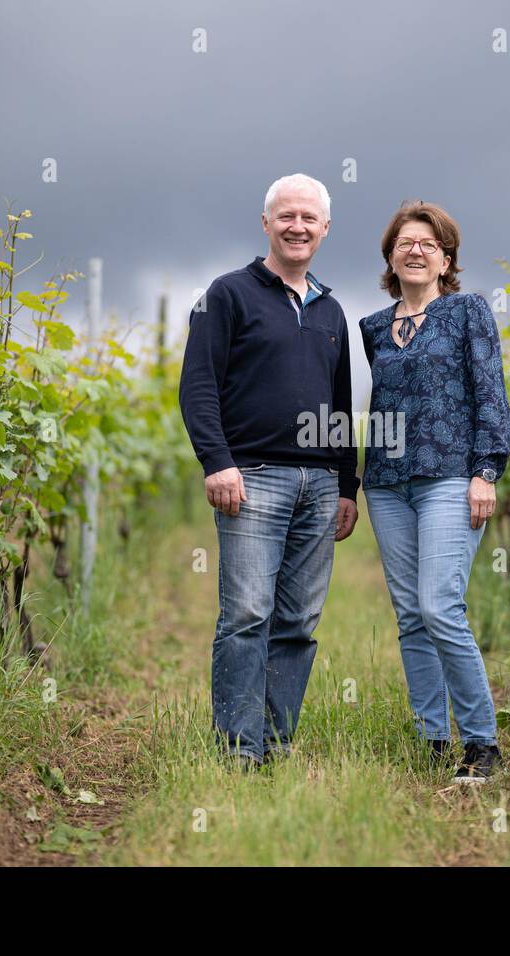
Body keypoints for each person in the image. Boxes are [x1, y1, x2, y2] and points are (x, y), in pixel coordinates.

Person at [178, 173, 359, 769]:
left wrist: (348, 486)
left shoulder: (332, 309)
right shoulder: (227, 294)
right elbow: (198, 385)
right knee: (248, 613)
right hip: (251, 477)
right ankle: (237, 750)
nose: (298, 227)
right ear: (266, 223)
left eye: (310, 218)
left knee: (299, 621)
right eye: (287, 216)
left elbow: (339, 405)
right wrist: (217, 462)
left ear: (325, 228)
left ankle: (276, 744)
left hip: (320, 486)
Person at [359, 200, 510, 783]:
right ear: (390, 258)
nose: (415, 250)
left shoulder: (468, 312)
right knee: (410, 616)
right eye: (404, 243)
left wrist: (486, 471)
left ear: (446, 258)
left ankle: (482, 744)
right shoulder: (375, 328)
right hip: (387, 484)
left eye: (428, 243)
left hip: (451, 477)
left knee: (439, 606)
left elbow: (490, 393)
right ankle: (432, 740)